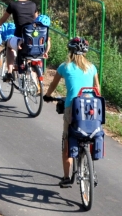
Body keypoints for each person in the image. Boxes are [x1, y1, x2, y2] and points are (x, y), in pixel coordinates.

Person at [43, 37, 100, 188]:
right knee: (90, 135)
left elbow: (52, 86)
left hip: (72, 107)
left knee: (67, 141)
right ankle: (91, 171)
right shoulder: (92, 68)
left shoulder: (64, 67)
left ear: (70, 51)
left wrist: (48, 96)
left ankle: (67, 177)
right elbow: (98, 90)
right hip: (91, 108)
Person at [0, 0, 38, 82]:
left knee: (8, 45)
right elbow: (36, 21)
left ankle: (9, 72)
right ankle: (35, 80)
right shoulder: (33, 5)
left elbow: (3, 19)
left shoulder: (13, 5)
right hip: (32, 40)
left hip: (19, 38)